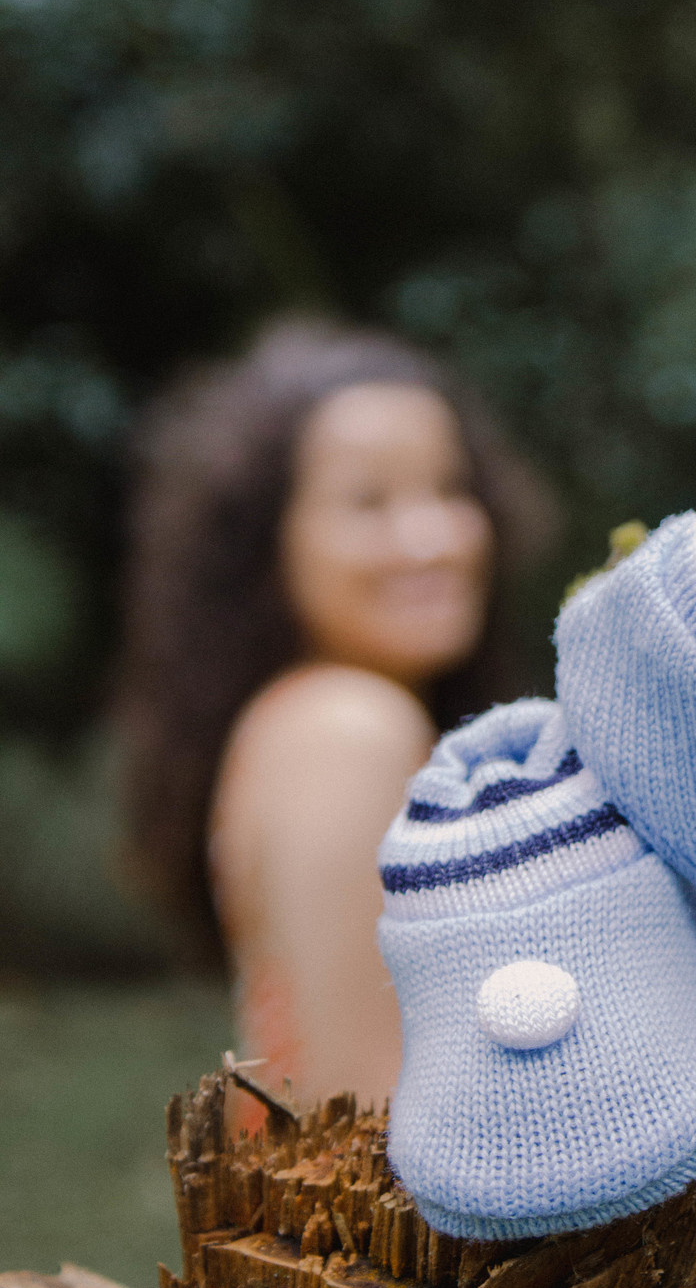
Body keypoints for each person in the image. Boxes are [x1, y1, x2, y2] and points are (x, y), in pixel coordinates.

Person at [117, 318, 552, 1113]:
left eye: (451, 489)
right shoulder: (347, 729)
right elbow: (373, 1110)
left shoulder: (315, 718)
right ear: (264, 544)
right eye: (368, 501)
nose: (432, 538)